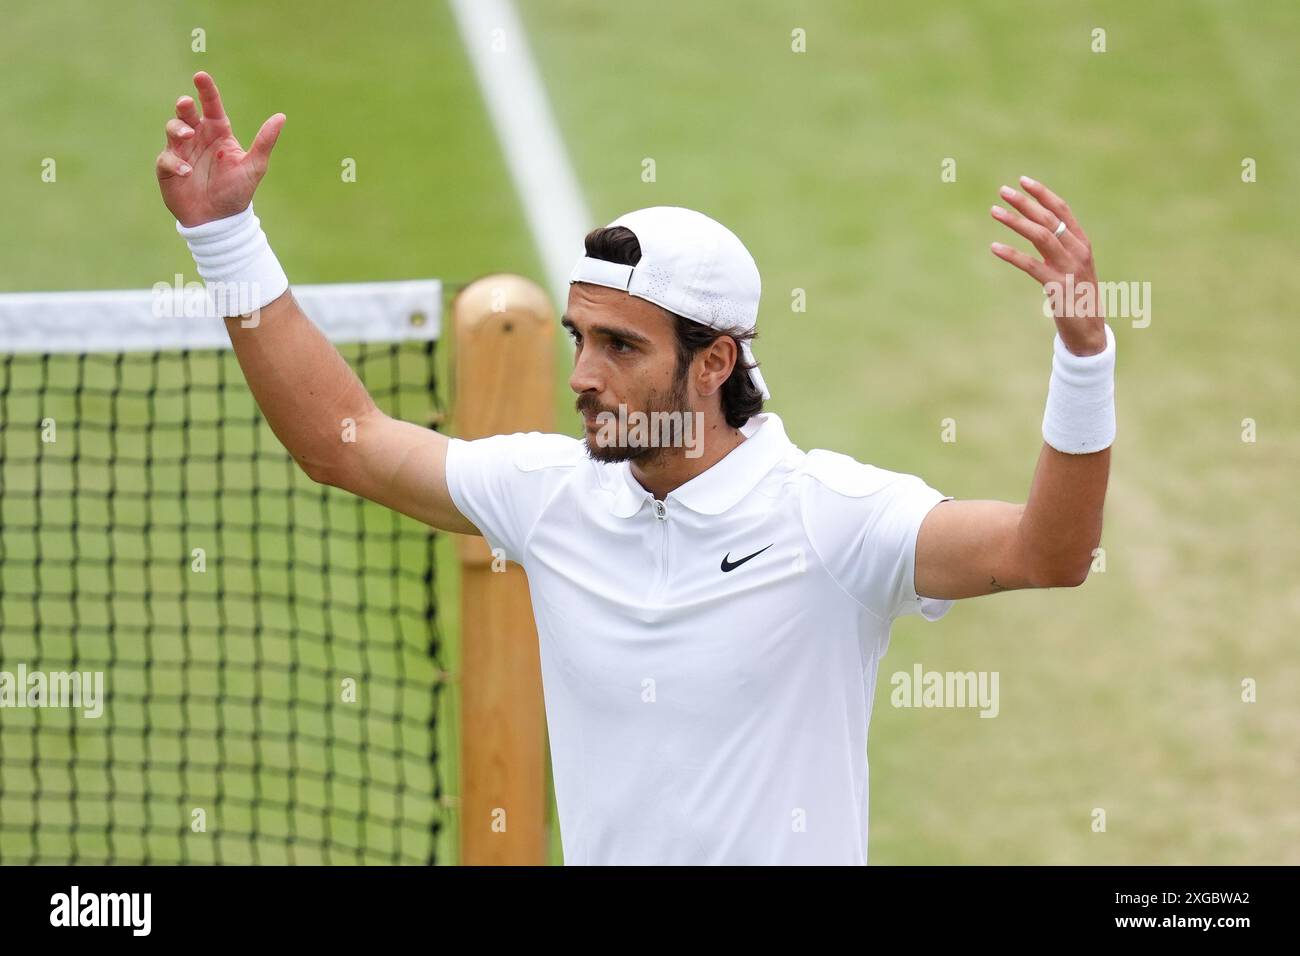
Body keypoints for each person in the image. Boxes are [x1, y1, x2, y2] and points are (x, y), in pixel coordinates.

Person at [156, 72, 1115, 865]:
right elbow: (341, 442)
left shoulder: (834, 520)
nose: (580, 376)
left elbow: (1050, 550)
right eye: (580, 339)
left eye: (620, 347)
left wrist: (1084, 356)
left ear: (713, 362)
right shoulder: (549, 498)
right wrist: (225, 238)